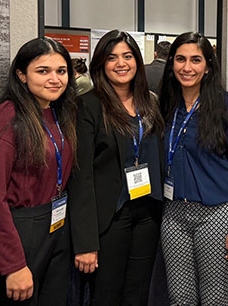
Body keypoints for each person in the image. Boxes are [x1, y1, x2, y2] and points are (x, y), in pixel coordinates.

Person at [0, 37, 77, 306]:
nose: (55, 79)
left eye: (61, 71)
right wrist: (12, 265)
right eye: (43, 71)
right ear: (21, 75)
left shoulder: (59, 113)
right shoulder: (7, 117)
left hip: (56, 225)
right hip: (20, 232)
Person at [68, 29, 164, 306]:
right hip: (110, 217)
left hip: (147, 212)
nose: (121, 63)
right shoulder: (88, 106)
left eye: (127, 56)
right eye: (112, 58)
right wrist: (85, 243)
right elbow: (81, 176)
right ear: (100, 63)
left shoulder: (150, 102)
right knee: (107, 294)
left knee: (138, 291)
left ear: (137, 60)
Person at [158, 32, 228, 305]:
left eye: (195, 60)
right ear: (171, 64)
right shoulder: (167, 106)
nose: (187, 67)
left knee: (215, 299)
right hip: (174, 214)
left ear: (208, 66)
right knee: (180, 298)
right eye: (180, 59)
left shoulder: (226, 107)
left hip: (216, 215)